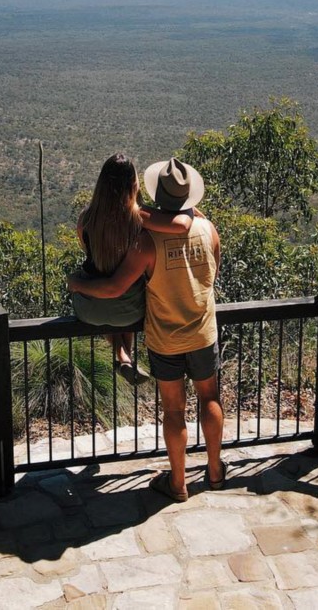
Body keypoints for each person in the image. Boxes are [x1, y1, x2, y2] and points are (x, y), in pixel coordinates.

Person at [69, 157, 224, 502]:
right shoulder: (209, 228)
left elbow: (114, 287)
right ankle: (215, 472)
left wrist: (76, 284)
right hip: (203, 332)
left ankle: (179, 483)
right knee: (210, 398)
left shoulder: (145, 241)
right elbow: (212, 275)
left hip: (165, 336)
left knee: (173, 410)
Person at [70, 154, 190, 384]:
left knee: (109, 307)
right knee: (126, 296)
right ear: (133, 185)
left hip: (88, 307)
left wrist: (74, 283)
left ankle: (123, 356)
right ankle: (125, 355)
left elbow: (87, 251)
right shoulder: (137, 217)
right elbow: (182, 226)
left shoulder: (85, 219)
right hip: (130, 309)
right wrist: (190, 208)